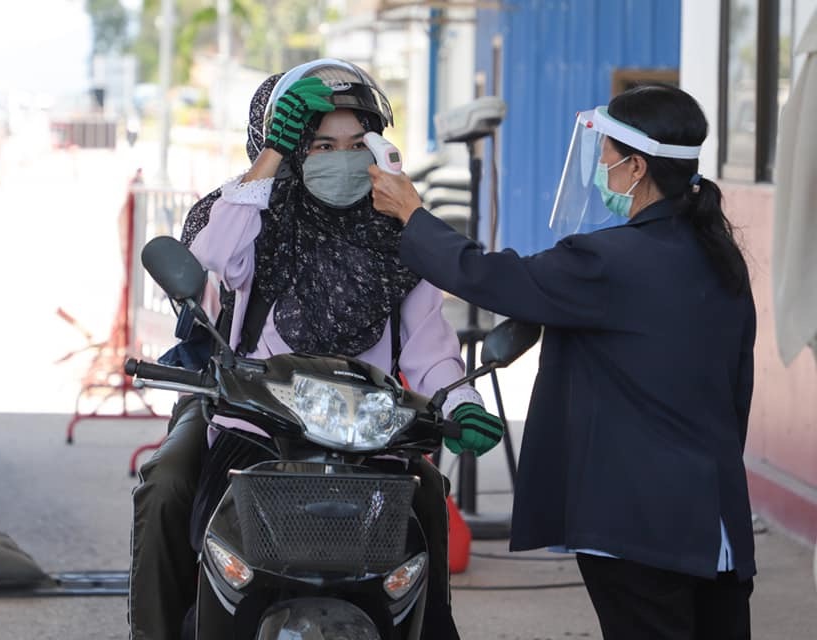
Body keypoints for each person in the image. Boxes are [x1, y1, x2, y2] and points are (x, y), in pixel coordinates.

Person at [129, 59, 505, 640]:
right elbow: (211, 262)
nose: (342, 159)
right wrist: (271, 157)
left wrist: (462, 405)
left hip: (368, 428)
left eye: (356, 144)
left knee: (429, 497)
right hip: (249, 418)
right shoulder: (248, 212)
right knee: (167, 485)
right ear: (290, 147)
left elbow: (429, 349)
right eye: (321, 145)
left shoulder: (401, 232)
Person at [370, 84, 757, 640]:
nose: (599, 167)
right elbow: (736, 393)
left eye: (605, 155)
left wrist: (412, 214)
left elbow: (487, 275)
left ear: (636, 167)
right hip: (714, 520)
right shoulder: (719, 257)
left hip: (640, 526)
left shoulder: (609, 261)